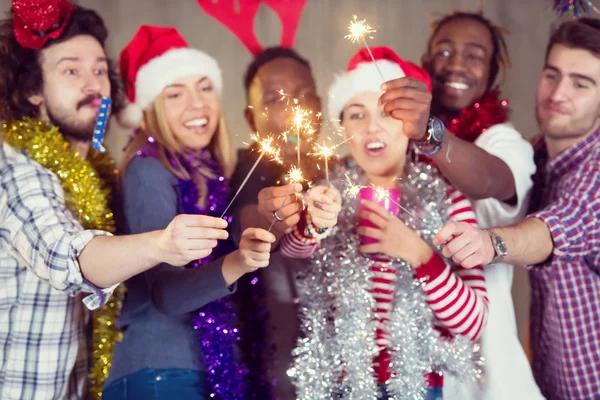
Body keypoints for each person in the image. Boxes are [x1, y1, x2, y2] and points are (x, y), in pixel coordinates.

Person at [0, 4, 229, 399]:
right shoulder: (16, 168)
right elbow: (64, 255)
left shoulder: (97, 176)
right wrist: (162, 243)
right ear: (31, 89)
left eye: (100, 70)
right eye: (71, 70)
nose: (93, 85)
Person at [283, 47, 489, 400]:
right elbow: (293, 250)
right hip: (337, 384)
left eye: (387, 113)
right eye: (357, 115)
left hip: (415, 385)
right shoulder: (330, 193)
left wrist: (418, 252)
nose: (372, 128)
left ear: (411, 124)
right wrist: (313, 224)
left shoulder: (447, 201)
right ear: (342, 125)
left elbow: (473, 322)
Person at [102, 25, 275, 400]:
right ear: (151, 108)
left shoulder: (209, 171)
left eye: (205, 87)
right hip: (158, 374)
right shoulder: (149, 169)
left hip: (190, 372)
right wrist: (240, 261)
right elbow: (166, 294)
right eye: (175, 94)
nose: (198, 105)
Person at [379, 11, 542, 399]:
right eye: (445, 51)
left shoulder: (503, 140)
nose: (456, 63)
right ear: (426, 60)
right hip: (404, 357)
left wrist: (430, 135)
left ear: (492, 71)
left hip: (478, 362)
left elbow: (489, 180)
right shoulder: (396, 137)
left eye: (474, 55)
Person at [434, 18, 600, 400]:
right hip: (551, 381)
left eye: (581, 83)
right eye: (552, 75)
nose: (559, 93)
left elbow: (558, 227)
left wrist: (491, 243)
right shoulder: (537, 154)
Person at [230, 46, 323, 399]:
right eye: (275, 99)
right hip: (269, 373)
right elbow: (248, 218)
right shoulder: (241, 172)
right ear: (251, 119)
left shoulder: (343, 176)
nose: (293, 110)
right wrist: (276, 215)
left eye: (303, 96)